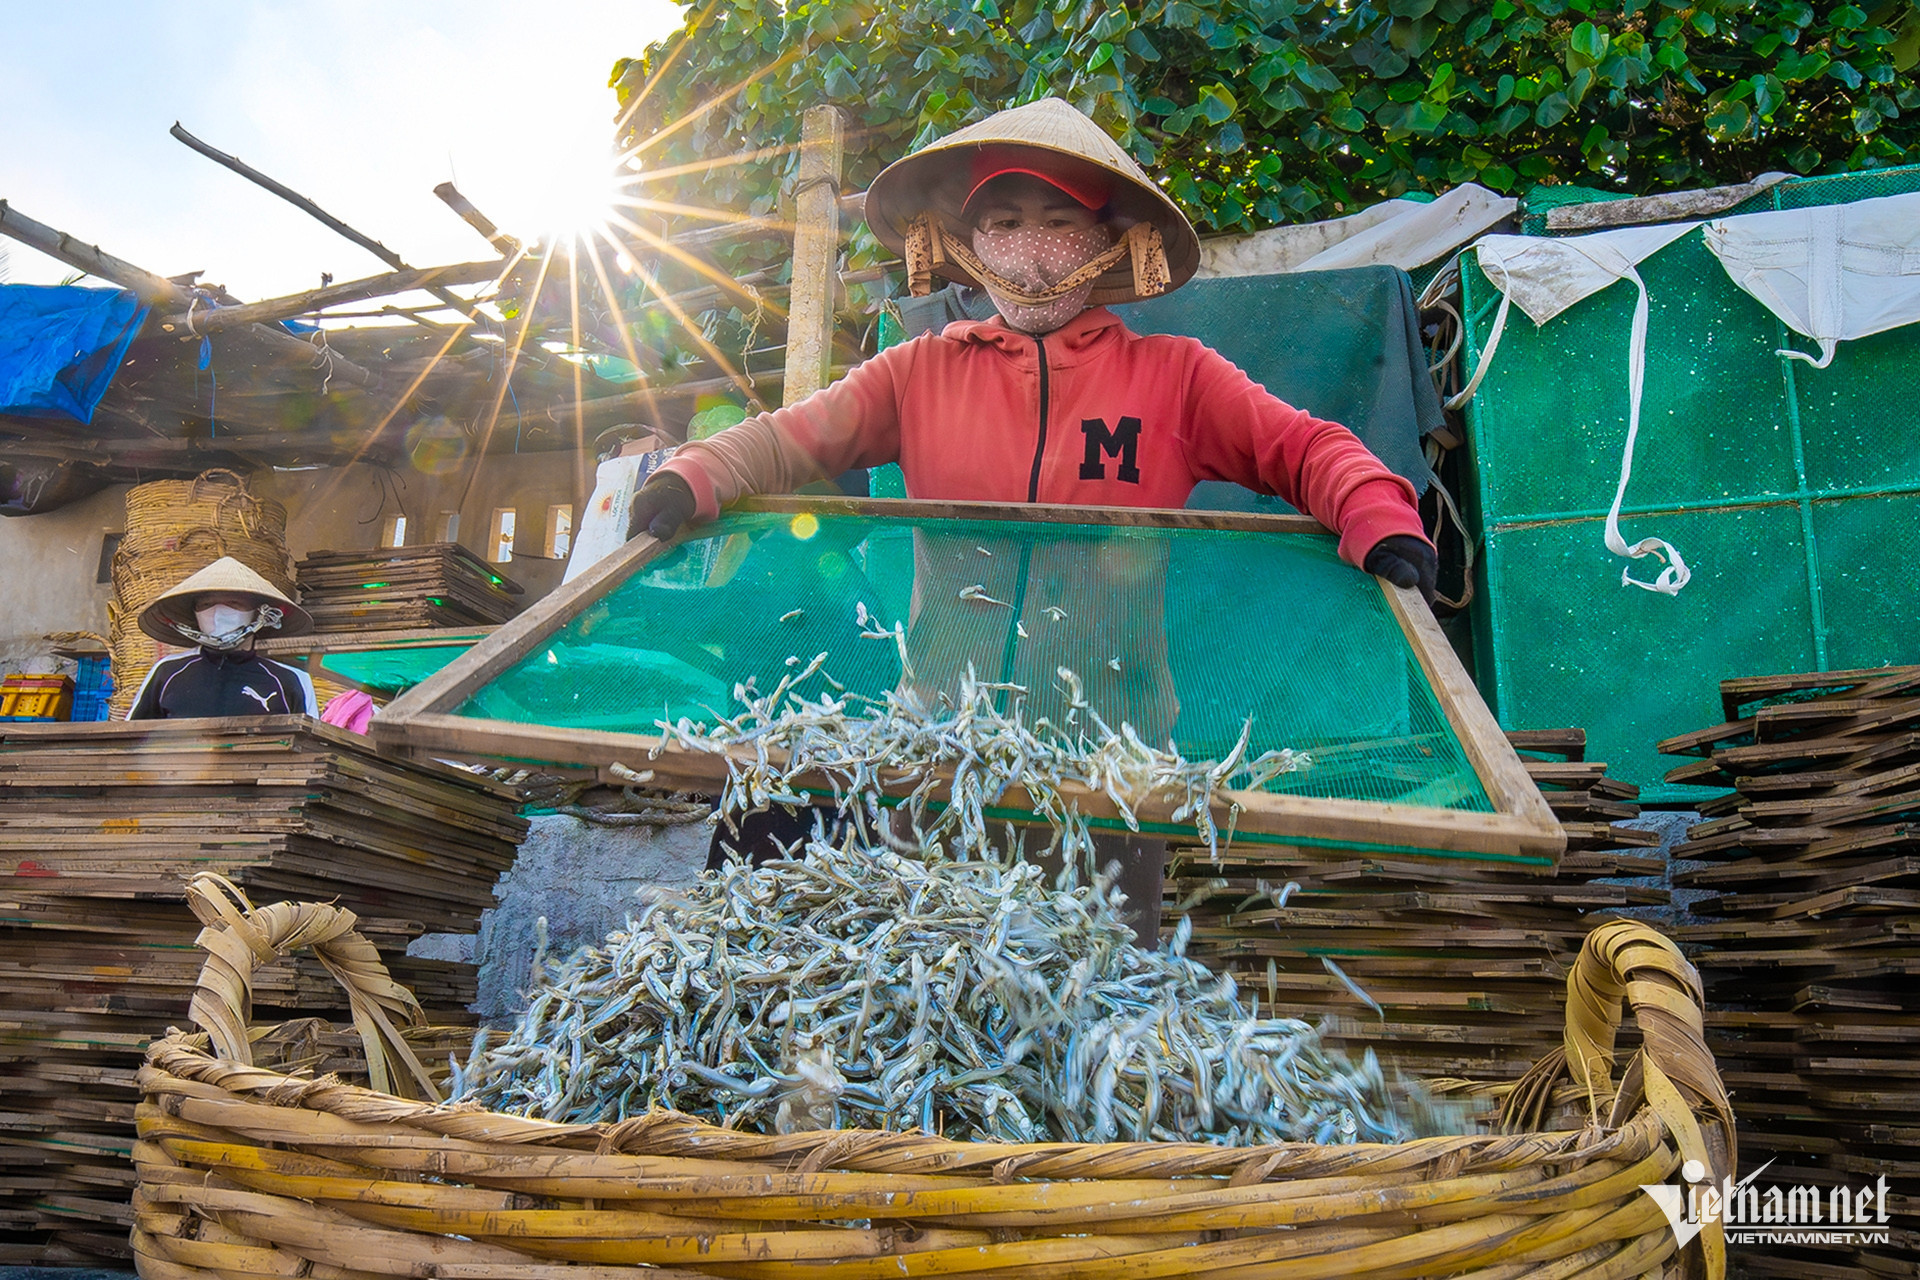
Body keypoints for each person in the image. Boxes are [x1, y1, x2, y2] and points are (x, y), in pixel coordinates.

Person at [627, 95, 1438, 601]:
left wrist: (1374, 508)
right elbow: (782, 440)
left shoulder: (1178, 376)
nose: (1032, 248)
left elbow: (1306, 449)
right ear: (970, 242)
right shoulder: (917, 369)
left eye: (1058, 224)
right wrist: (692, 474)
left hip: (1114, 747)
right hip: (944, 734)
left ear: (1104, 243)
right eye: (1006, 226)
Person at [126, 556, 318, 720]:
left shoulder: (291, 680)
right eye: (207, 604)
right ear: (195, 614)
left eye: (234, 603)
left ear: (260, 613)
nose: (218, 612)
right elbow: (130, 740)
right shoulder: (167, 672)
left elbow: (309, 749)